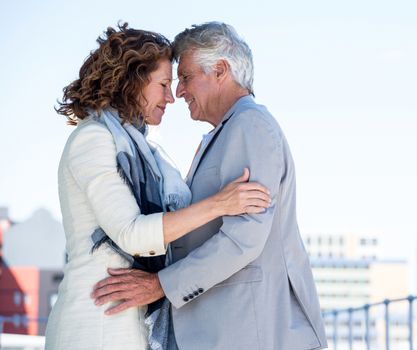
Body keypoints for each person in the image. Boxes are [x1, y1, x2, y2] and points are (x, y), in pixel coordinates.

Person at [93, 22, 327, 349]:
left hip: (250, 331)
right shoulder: (229, 131)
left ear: (219, 70)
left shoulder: (250, 126)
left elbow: (244, 238)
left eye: (186, 77)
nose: (180, 92)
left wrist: (161, 285)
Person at [44, 23, 270, 350]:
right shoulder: (93, 139)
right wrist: (221, 203)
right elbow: (132, 233)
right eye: (164, 84)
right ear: (132, 81)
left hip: (133, 322)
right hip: (97, 324)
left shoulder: (146, 151)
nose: (171, 97)